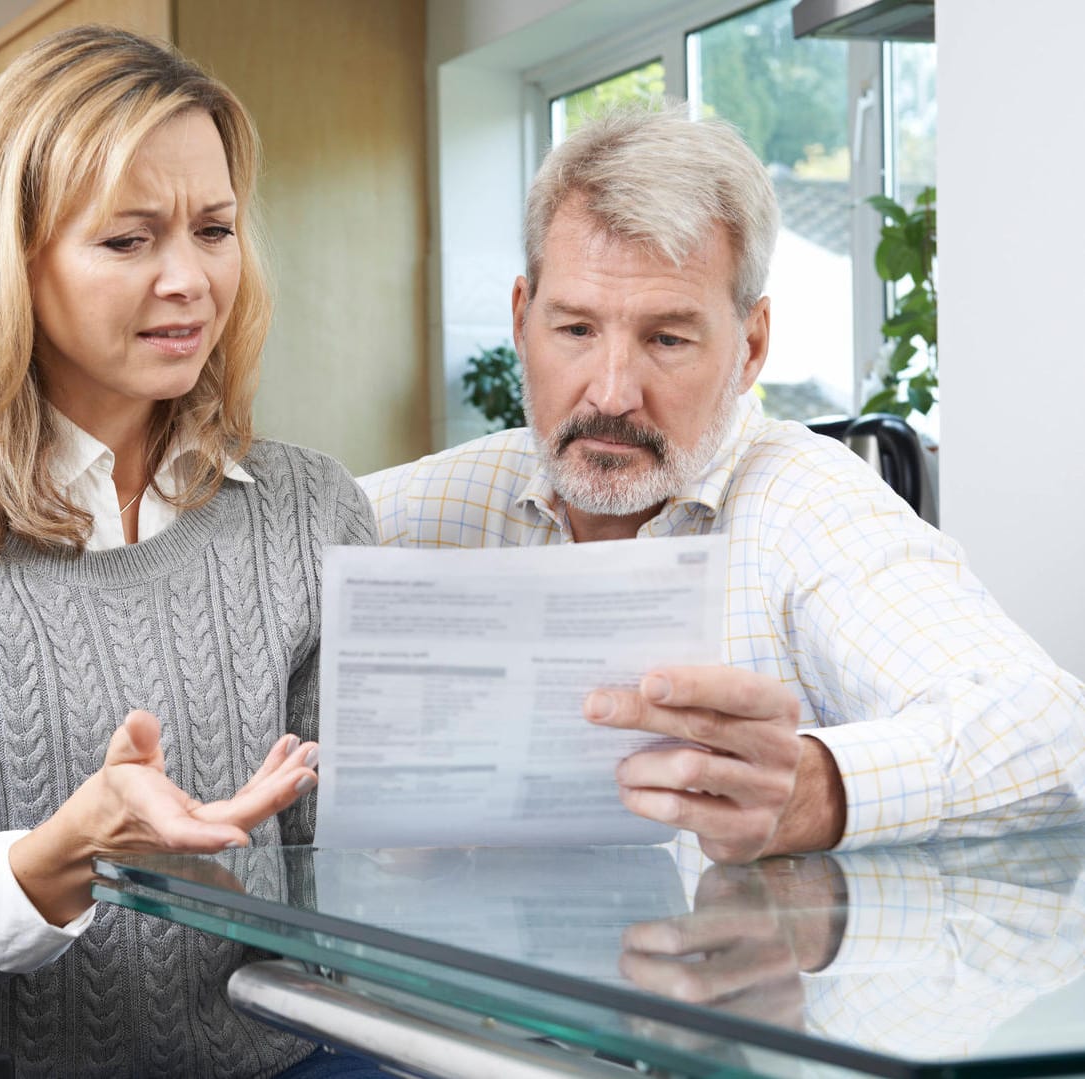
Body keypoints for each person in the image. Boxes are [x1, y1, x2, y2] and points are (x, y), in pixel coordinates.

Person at [0, 26, 381, 1078]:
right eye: (128, 239)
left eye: (215, 228)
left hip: (281, 1060)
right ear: (13, 259)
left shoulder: (311, 504)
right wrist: (79, 845)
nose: (190, 278)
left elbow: (349, 882)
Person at [364, 106, 1085, 865]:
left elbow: (1052, 729)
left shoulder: (806, 504)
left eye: (667, 339)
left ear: (751, 347)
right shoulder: (431, 506)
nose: (611, 393)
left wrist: (821, 787)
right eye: (575, 330)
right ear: (520, 319)